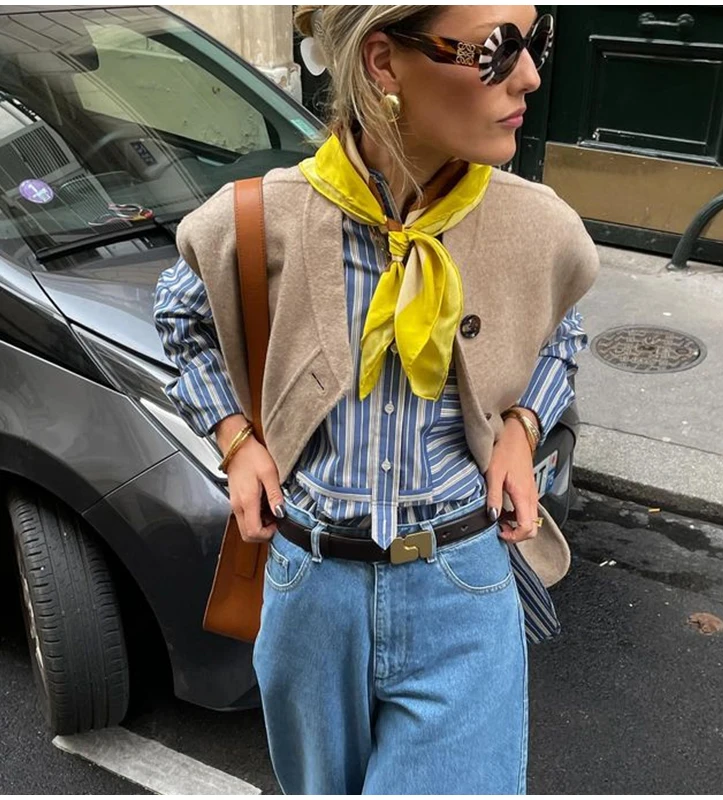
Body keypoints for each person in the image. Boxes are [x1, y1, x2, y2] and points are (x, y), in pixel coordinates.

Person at [154, 5, 598, 794]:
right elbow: (179, 316)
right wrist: (236, 441)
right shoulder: (267, 214)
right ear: (384, 62)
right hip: (309, 592)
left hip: (461, 584)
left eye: (537, 40)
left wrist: (523, 428)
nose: (530, 75)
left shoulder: (534, 224)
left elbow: (560, 326)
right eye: (497, 49)